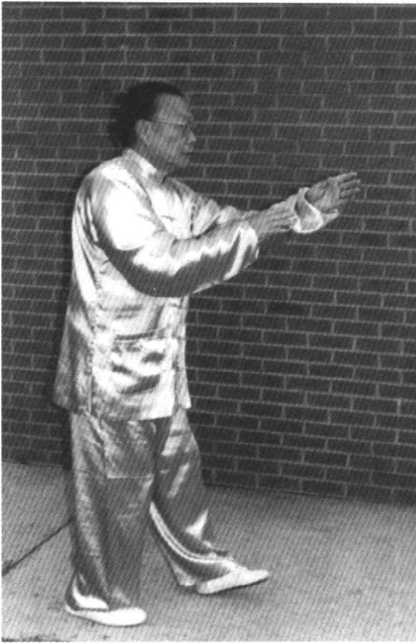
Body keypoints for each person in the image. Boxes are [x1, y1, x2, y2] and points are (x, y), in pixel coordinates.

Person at [53, 81, 360, 627]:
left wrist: (301, 210)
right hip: (110, 373)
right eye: (183, 127)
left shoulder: (174, 195)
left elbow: (230, 225)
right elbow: (160, 267)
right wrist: (254, 228)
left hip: (158, 369)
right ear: (146, 130)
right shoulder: (109, 186)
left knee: (178, 469)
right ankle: (96, 594)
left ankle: (203, 565)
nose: (193, 137)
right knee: (115, 487)